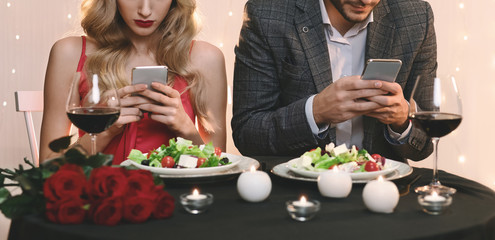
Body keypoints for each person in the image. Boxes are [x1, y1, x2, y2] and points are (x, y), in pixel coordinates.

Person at [232, 0, 435, 162]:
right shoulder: (267, 15)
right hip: (297, 190)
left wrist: (402, 123)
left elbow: (424, 144)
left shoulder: (416, 19)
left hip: (382, 189)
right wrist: (315, 112)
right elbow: (247, 134)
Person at [40, 0, 227, 164]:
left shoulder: (206, 58)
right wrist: (106, 131)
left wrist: (186, 129)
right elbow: (48, 168)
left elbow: (220, 168)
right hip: (98, 198)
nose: (145, 10)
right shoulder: (69, 53)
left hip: (175, 198)